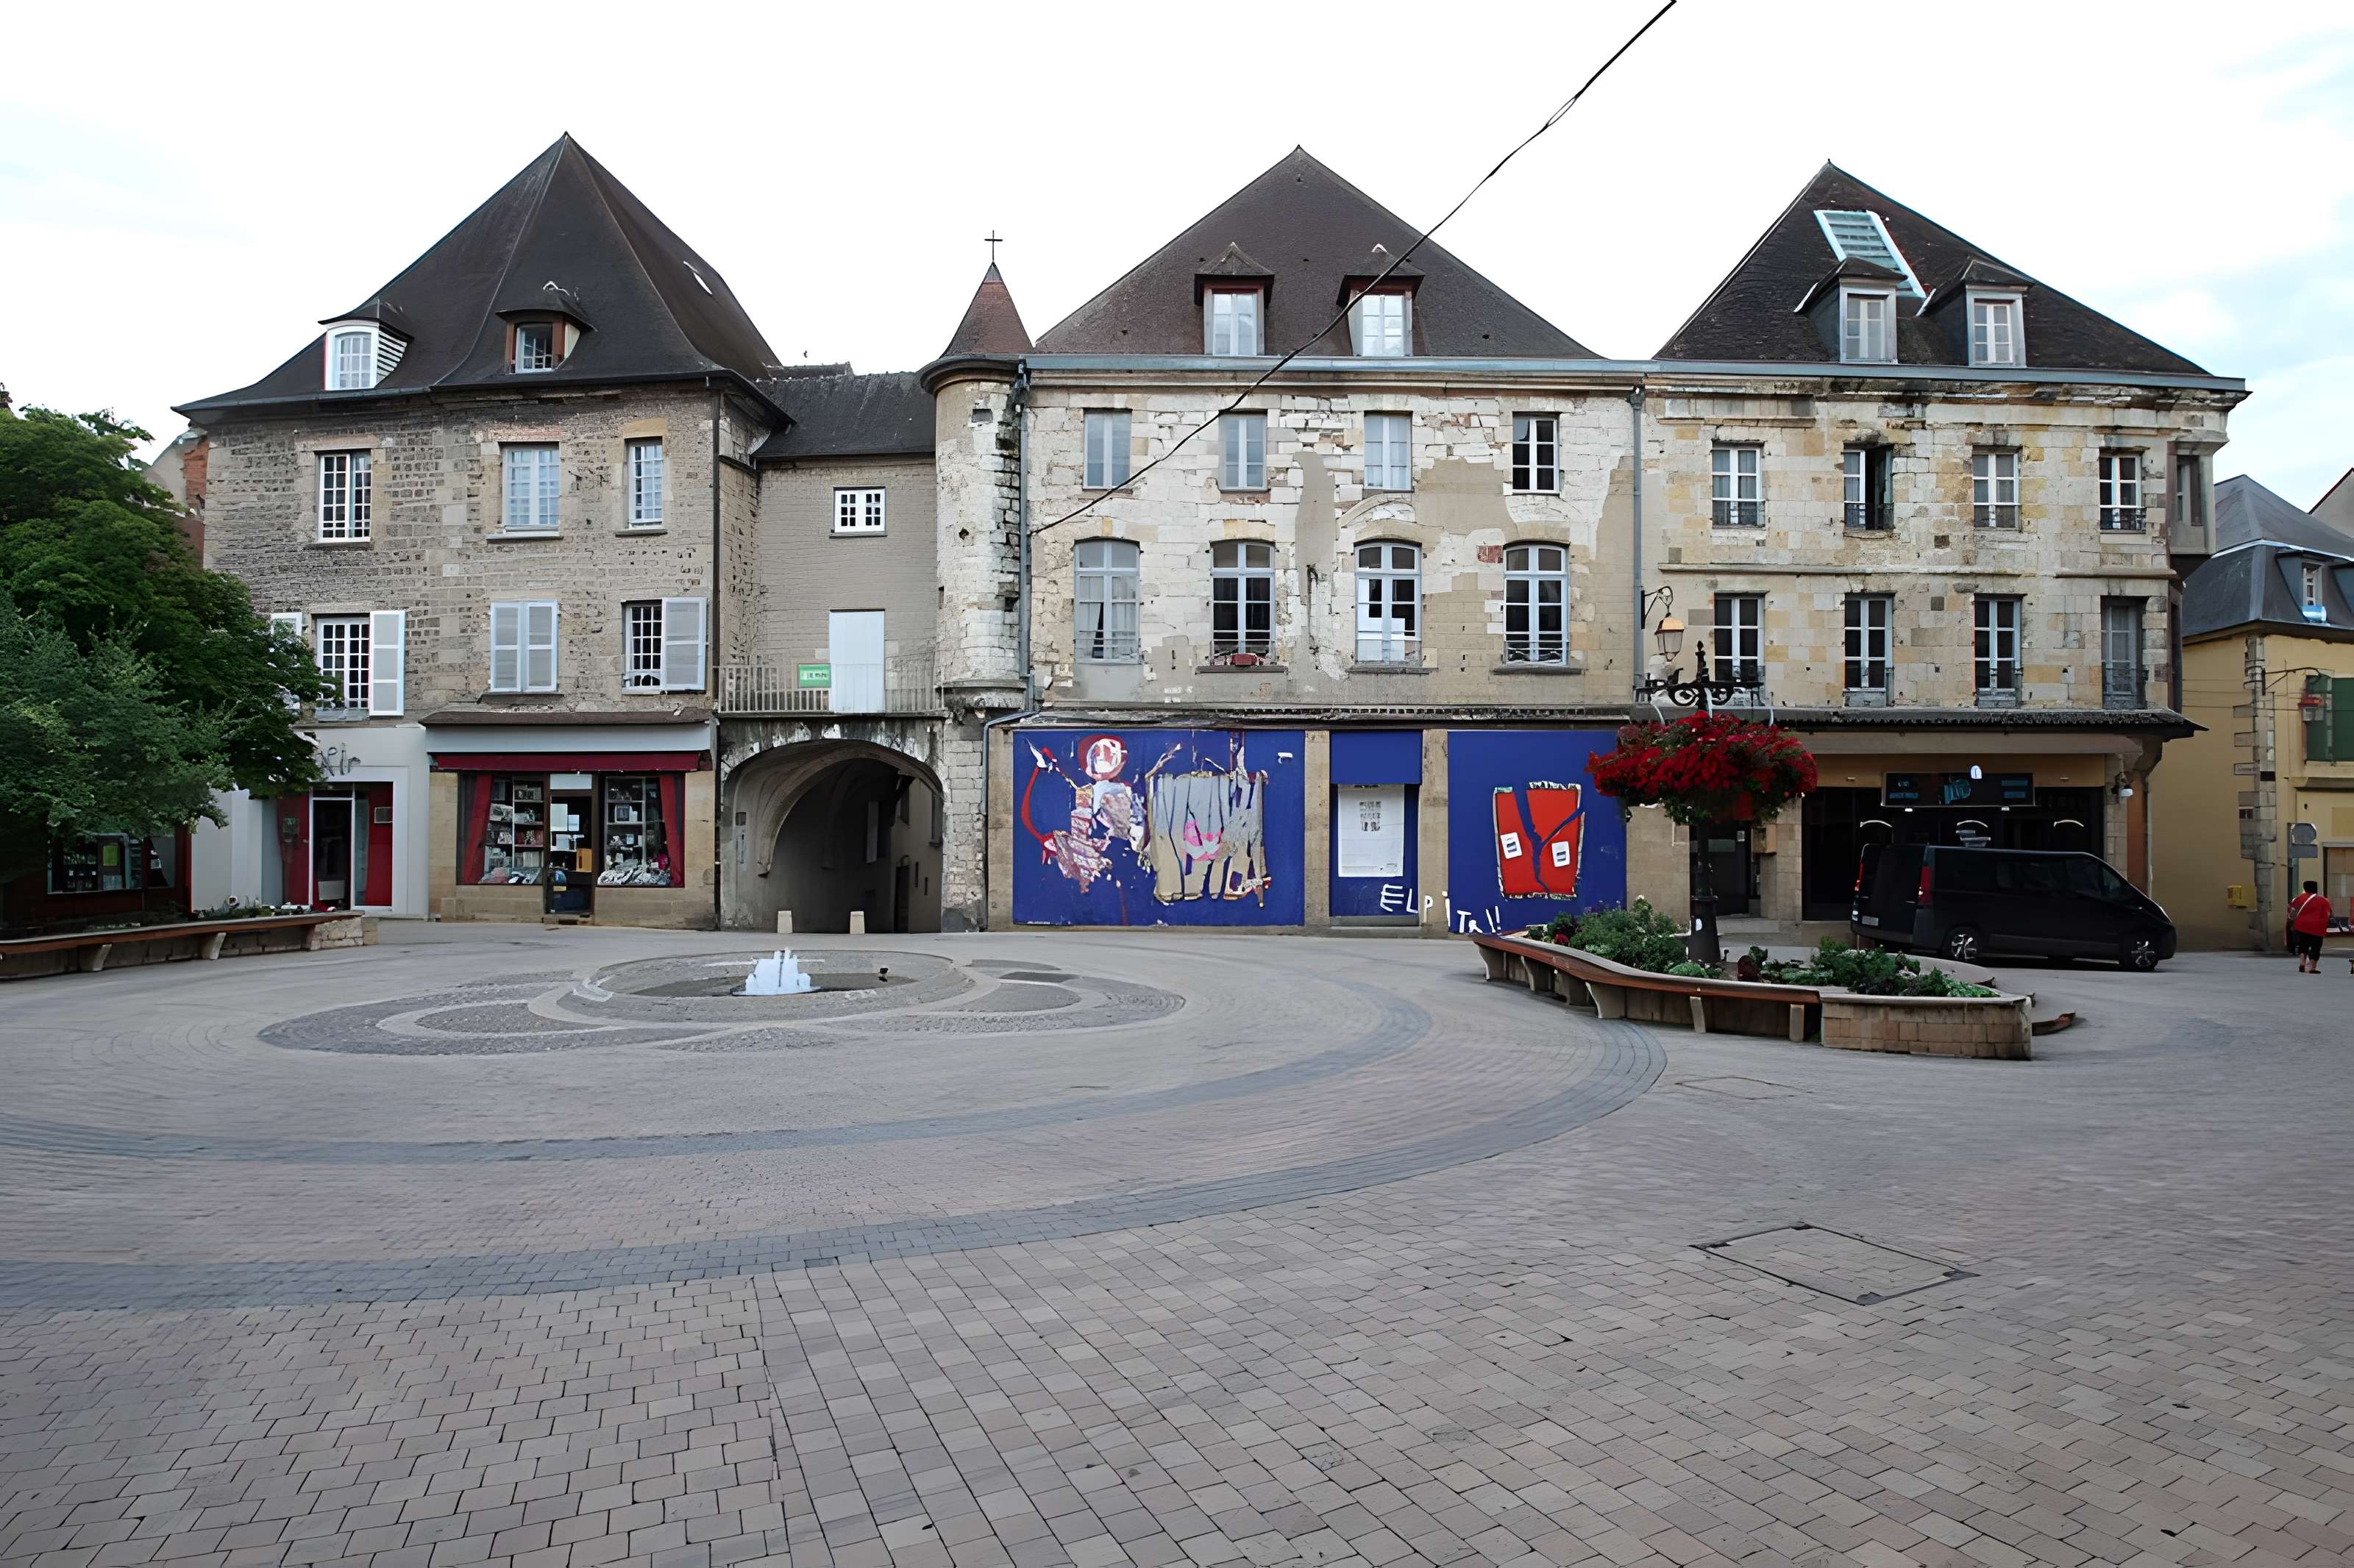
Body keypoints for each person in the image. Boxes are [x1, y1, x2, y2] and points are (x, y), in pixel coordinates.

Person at [2287, 880, 2332, 973]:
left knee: (2303, 944)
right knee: (2316, 947)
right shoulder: (2323, 900)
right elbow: (2327, 914)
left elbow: (2292, 913)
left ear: (2305, 888)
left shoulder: (2297, 899)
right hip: (2317, 928)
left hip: (2302, 926)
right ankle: (2312, 968)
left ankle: (2302, 963)